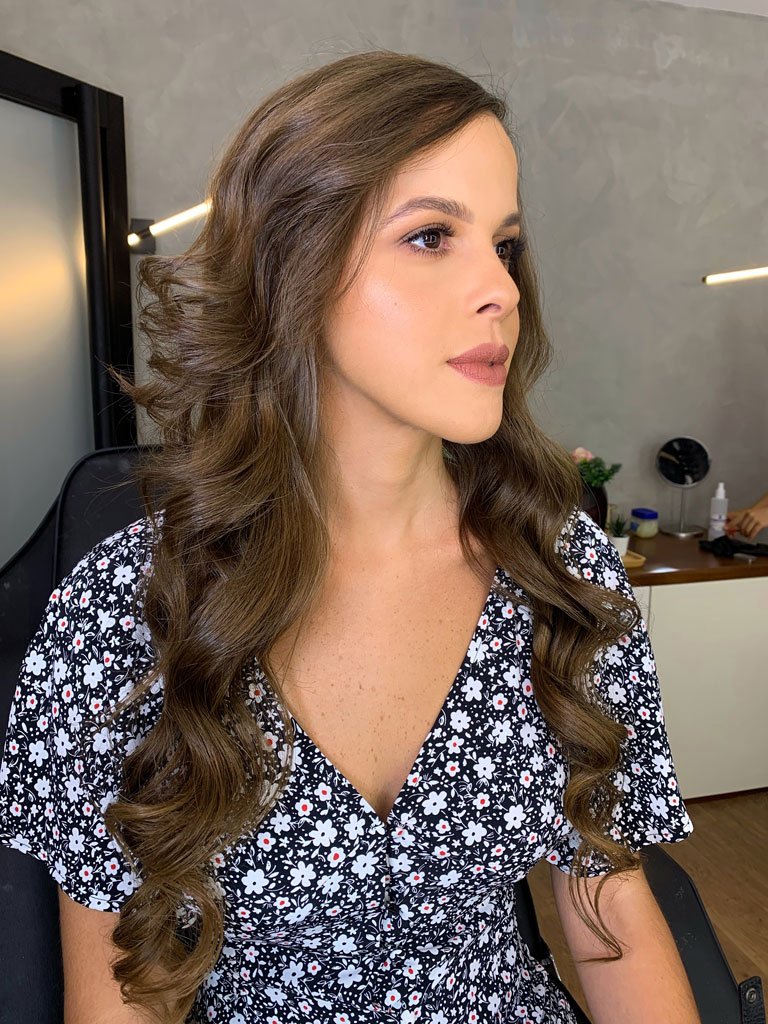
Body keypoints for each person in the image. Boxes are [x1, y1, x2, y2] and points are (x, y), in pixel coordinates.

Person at [0, 50, 701, 1024]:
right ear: (291, 269)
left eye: (505, 244)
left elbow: (608, 907)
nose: (502, 289)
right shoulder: (124, 613)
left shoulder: (562, 572)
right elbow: (124, 990)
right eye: (430, 236)